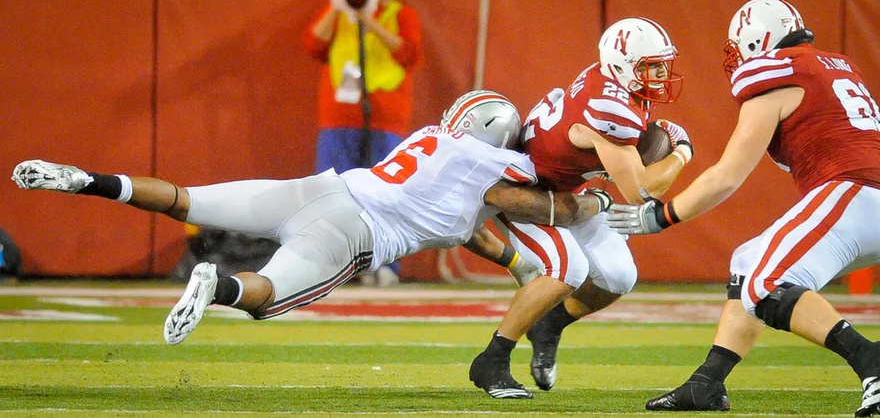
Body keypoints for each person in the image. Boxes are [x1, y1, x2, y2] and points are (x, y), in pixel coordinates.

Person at [11, 90, 611, 348]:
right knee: (267, 298)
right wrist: (598, 201)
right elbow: (539, 208)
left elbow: (472, 227)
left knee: (184, 198)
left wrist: (512, 262)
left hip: (318, 189)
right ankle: (216, 283)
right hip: (351, 233)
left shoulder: (433, 139)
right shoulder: (493, 167)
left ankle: (87, 180)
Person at [607, 0, 880, 416]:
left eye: (739, 49)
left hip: (854, 190)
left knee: (765, 284)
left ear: (757, 41)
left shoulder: (774, 75)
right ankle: (707, 383)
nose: (738, 60)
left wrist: (662, 215)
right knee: (747, 263)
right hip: (864, 193)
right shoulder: (835, 66)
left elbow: (727, 176)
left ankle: (870, 362)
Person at [467, 18, 696, 399]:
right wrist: (683, 152)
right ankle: (493, 359)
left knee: (620, 276)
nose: (661, 74)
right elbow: (640, 191)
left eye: (662, 64)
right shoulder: (611, 107)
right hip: (529, 192)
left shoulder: (615, 85)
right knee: (567, 269)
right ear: (623, 66)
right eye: (651, 65)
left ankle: (550, 325)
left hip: (571, 190)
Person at [303, 0, 422, 285]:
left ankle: (386, 265)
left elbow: (409, 54)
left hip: (386, 118)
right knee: (332, 191)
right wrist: (338, 7)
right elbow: (313, 45)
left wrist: (372, 24)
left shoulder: (402, 15)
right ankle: (334, 264)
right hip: (339, 117)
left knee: (386, 193)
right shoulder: (338, 12)